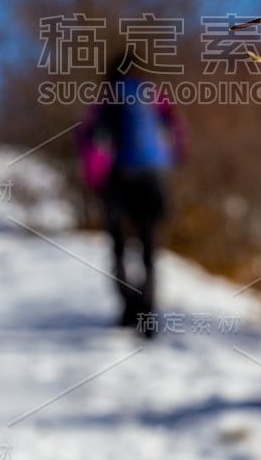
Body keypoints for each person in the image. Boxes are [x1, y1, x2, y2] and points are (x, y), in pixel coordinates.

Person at [76, 51, 186, 336]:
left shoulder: (106, 98)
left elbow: (91, 142)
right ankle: (148, 314)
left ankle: (128, 311)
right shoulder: (154, 95)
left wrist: (95, 181)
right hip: (154, 177)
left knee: (119, 247)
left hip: (120, 179)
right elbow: (176, 132)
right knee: (149, 247)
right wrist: (172, 162)